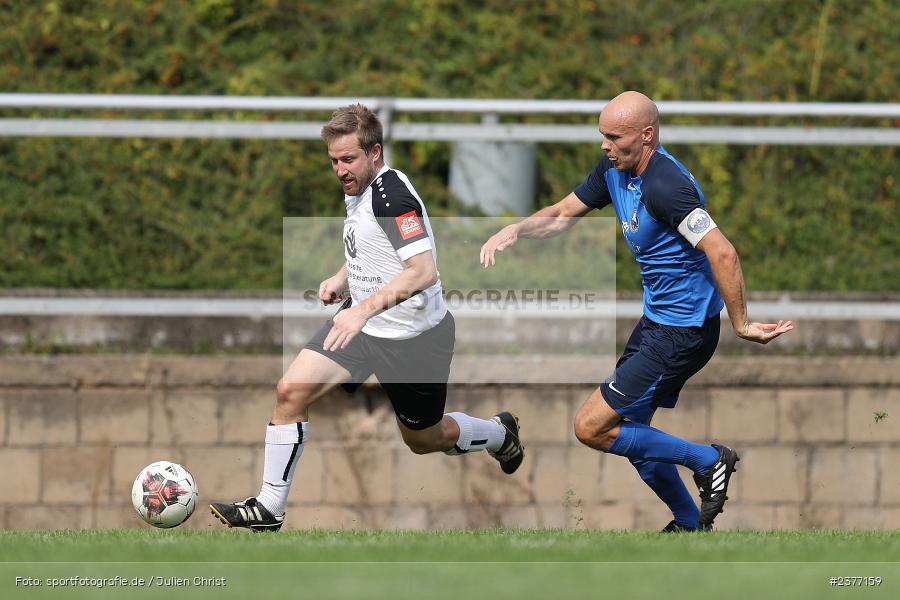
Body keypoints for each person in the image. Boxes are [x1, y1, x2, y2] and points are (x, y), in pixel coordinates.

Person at [480, 91, 793, 531]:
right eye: (602, 136)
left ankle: (709, 460)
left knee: (591, 427)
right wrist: (517, 228)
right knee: (630, 434)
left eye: (614, 136)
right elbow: (562, 214)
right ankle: (688, 523)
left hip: (682, 332)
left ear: (646, 136)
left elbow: (724, 254)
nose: (604, 146)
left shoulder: (667, 186)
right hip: (657, 324)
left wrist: (741, 324)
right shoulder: (614, 170)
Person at [210, 104, 524, 532]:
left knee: (422, 439)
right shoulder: (360, 186)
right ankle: (268, 509)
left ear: (375, 153)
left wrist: (361, 310)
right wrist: (343, 278)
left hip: (414, 339)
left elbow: (423, 271)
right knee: (290, 392)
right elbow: (373, 245)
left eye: (348, 160)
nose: (340, 170)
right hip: (362, 322)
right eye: (334, 161)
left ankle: (498, 433)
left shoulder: (392, 198)